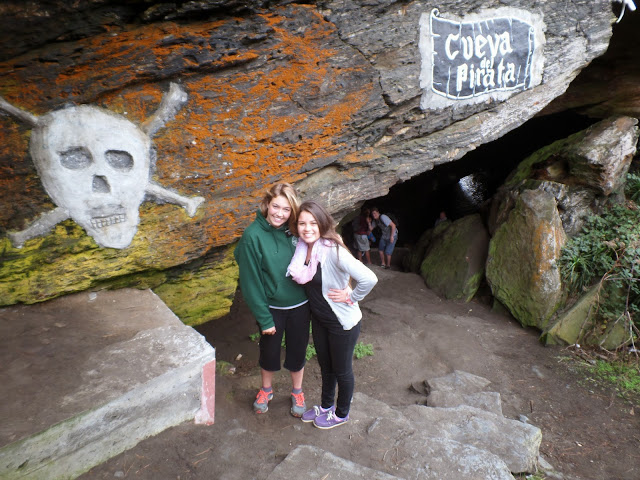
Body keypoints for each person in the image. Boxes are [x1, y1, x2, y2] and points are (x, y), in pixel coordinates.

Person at [287, 201, 378, 429]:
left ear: (322, 223)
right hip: (320, 320)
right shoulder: (302, 249)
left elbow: (369, 278)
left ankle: (341, 413)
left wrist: (352, 297)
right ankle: (326, 406)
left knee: (342, 370)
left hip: (342, 323)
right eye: (302, 224)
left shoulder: (333, 250)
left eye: (313, 223)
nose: (307, 228)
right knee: (326, 367)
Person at [234, 183, 311, 417]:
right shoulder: (253, 236)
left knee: (298, 350)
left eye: (286, 209)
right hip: (272, 308)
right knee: (269, 351)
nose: (280, 213)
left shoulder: (295, 230)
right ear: (267, 204)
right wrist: (264, 318)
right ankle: (266, 389)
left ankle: (297, 391)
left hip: (301, 305)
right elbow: (250, 282)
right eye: (276, 206)